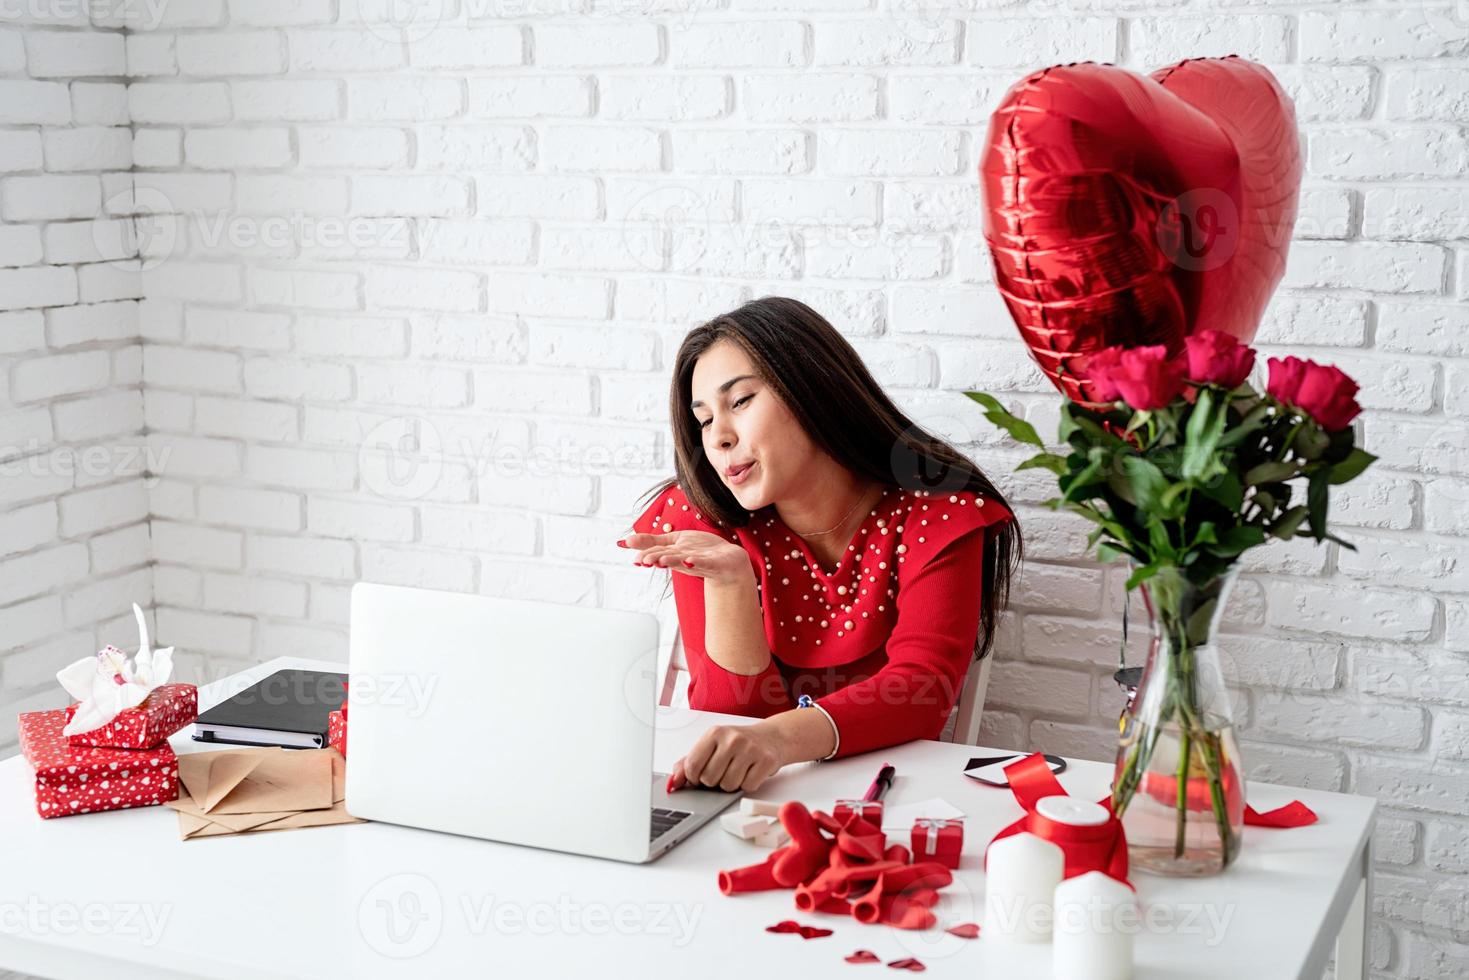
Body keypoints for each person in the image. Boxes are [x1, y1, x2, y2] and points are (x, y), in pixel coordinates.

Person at [618, 296, 1022, 794]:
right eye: (703, 419)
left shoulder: (937, 510)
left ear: (813, 388)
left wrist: (779, 741)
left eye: (740, 401)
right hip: (748, 803)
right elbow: (730, 725)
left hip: (889, 801)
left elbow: (922, 690)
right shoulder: (705, 515)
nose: (718, 437)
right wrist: (730, 584)